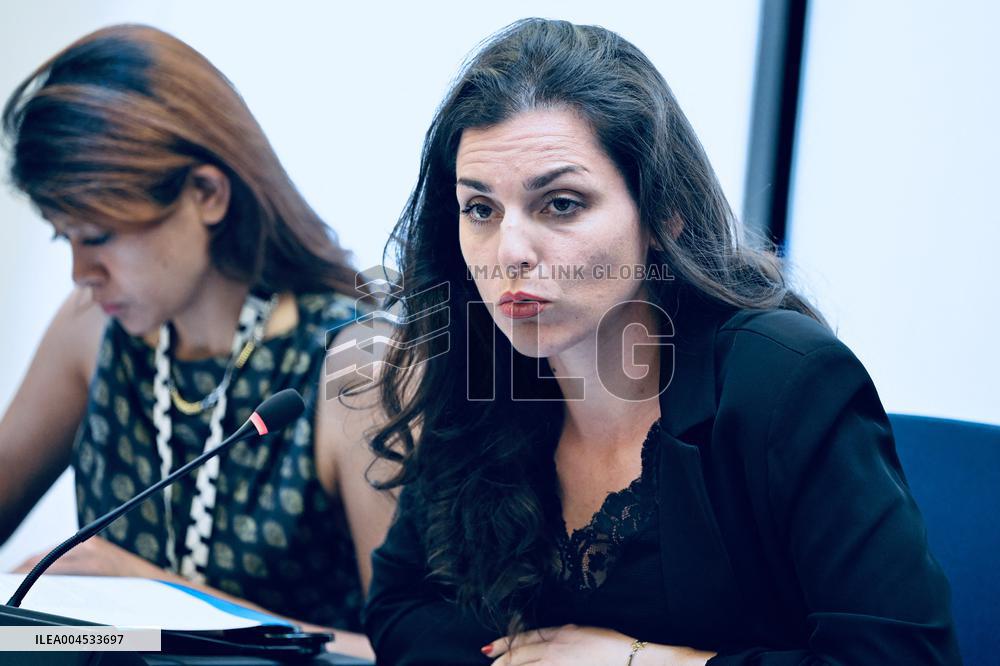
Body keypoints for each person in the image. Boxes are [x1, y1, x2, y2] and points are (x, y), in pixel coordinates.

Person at [361, 18, 961, 665]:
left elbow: (901, 658)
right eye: (481, 209)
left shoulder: (786, 381)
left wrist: (644, 662)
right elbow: (402, 610)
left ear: (662, 214)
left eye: (561, 204)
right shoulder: (483, 366)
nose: (511, 252)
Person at [0, 24, 393, 659]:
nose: (79, 273)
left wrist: (153, 593)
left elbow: (411, 653)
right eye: (62, 237)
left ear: (206, 194)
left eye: (97, 235)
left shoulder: (356, 366)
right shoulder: (90, 328)